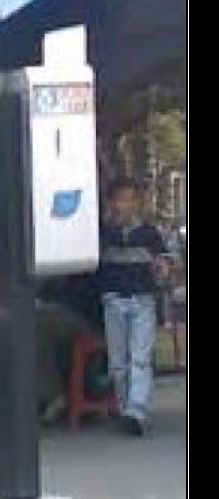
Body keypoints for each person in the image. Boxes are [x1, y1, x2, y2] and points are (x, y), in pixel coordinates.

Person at [99, 178, 169, 436]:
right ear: (112, 203)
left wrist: (161, 268)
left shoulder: (149, 234)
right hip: (113, 299)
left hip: (142, 300)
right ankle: (124, 406)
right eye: (120, 199)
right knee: (118, 362)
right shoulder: (104, 233)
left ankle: (136, 410)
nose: (125, 205)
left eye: (130, 199)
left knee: (139, 358)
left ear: (138, 203)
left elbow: (162, 263)